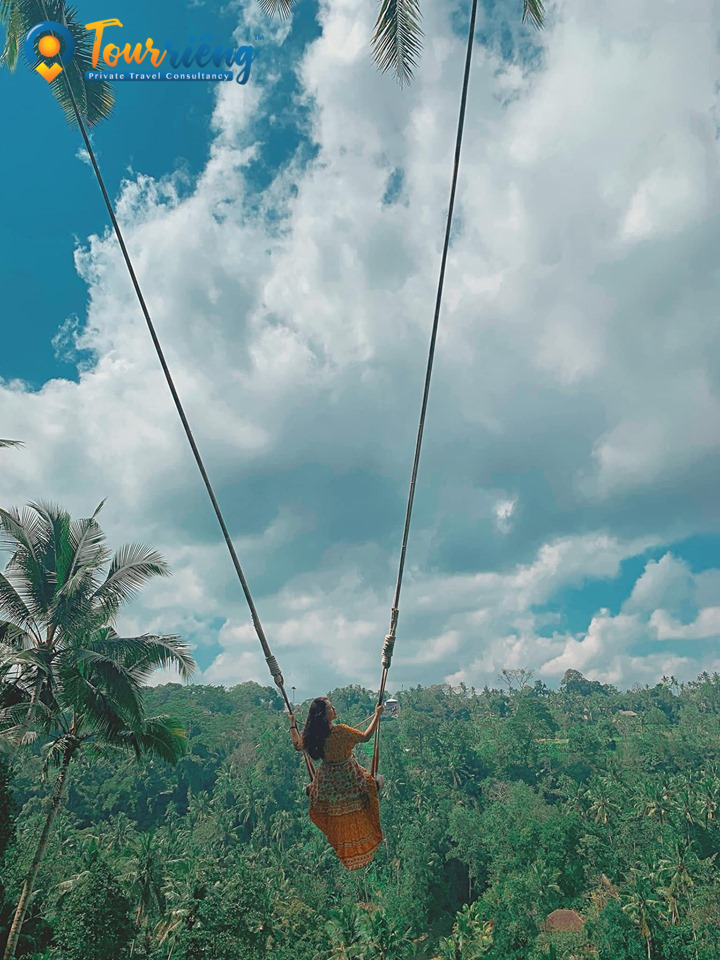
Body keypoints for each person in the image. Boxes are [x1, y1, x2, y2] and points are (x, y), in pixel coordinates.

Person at [289, 697, 384, 870]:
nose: (334, 709)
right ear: (325, 715)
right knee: (374, 785)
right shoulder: (341, 731)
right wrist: (377, 715)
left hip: (326, 783)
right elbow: (365, 737)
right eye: (331, 708)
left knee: (316, 793)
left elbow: (297, 744)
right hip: (349, 779)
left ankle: (314, 790)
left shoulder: (314, 736)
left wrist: (292, 725)